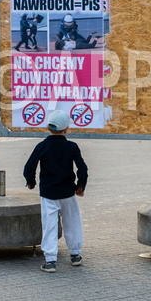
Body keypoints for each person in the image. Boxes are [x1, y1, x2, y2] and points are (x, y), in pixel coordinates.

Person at [23, 110, 88, 273]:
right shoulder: (71, 146)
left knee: (50, 226)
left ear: (47, 127)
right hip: (68, 193)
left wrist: (31, 182)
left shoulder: (42, 146)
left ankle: (50, 261)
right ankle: (75, 255)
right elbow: (83, 168)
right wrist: (81, 185)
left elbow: (29, 167)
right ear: (67, 129)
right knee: (72, 222)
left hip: (48, 194)